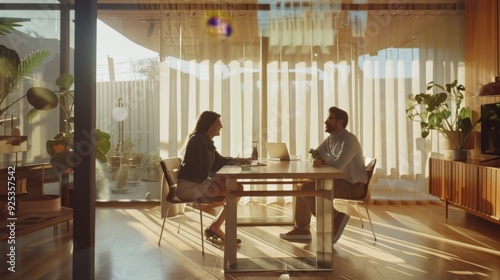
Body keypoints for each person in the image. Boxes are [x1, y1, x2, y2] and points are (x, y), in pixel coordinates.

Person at [279, 106, 368, 244]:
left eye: (329, 118)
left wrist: (324, 158)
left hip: (354, 186)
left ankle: (336, 217)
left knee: (306, 189)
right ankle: (302, 230)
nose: (326, 122)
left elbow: (338, 165)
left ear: (340, 122)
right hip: (341, 182)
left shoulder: (349, 139)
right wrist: (324, 158)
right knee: (302, 187)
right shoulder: (330, 139)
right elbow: (315, 154)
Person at [176, 111, 243, 244]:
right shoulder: (197, 140)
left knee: (237, 188)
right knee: (236, 190)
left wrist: (242, 160)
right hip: (190, 187)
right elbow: (198, 169)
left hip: (198, 183)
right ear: (209, 125)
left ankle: (215, 226)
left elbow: (220, 161)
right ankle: (215, 227)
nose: (221, 126)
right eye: (218, 123)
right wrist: (218, 179)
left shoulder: (205, 140)